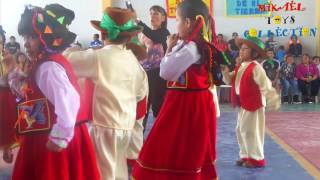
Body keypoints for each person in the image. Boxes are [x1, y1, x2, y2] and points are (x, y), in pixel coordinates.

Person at [8, 4, 100, 180]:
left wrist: (60, 137)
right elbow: (36, 94)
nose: (26, 43)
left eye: (32, 37)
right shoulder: (42, 63)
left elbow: (69, 101)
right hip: (42, 133)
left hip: (51, 136)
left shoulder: (48, 67)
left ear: (46, 38)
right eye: (25, 37)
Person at [132, 0, 220, 178]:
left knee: (177, 141)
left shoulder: (191, 48)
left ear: (188, 23)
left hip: (187, 104)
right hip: (186, 100)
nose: (176, 25)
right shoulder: (193, 44)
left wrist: (169, 48)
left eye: (177, 20)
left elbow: (165, 72)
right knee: (179, 142)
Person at [64, 7, 148, 179]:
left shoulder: (98, 57)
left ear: (102, 35)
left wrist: (70, 48)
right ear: (130, 37)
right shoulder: (134, 62)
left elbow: (67, 62)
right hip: (126, 126)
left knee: (103, 173)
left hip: (104, 126)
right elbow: (141, 95)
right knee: (119, 171)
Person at [222, 36, 280, 168]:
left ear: (254, 53)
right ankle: (245, 155)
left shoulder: (256, 68)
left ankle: (256, 158)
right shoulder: (242, 66)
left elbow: (266, 85)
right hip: (244, 104)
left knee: (251, 131)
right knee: (240, 130)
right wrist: (226, 73)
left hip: (254, 104)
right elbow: (229, 80)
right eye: (240, 49)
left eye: (244, 49)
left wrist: (273, 99)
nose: (241, 51)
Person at [137, 5, 170, 131]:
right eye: (151, 13)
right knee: (142, 109)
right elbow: (140, 52)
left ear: (163, 18)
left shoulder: (164, 33)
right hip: (144, 74)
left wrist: (138, 22)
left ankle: (161, 138)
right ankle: (139, 138)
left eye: (156, 13)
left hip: (158, 76)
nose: (152, 16)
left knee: (158, 108)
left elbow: (154, 36)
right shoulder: (143, 35)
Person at [0, 30, 17, 164]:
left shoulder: (9, 58)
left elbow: (12, 78)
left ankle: (7, 147)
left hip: (5, 95)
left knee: (7, 121)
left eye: (0, 42)